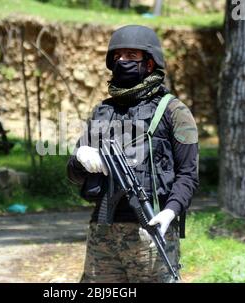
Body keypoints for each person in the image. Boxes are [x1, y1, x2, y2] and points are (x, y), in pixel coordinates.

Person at [67, 25, 199, 283]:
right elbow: (73, 175)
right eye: (117, 57)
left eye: (131, 55)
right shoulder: (102, 112)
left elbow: (188, 176)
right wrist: (79, 157)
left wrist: (170, 212)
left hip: (152, 230)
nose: (122, 61)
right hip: (102, 233)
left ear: (149, 64)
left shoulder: (174, 111)